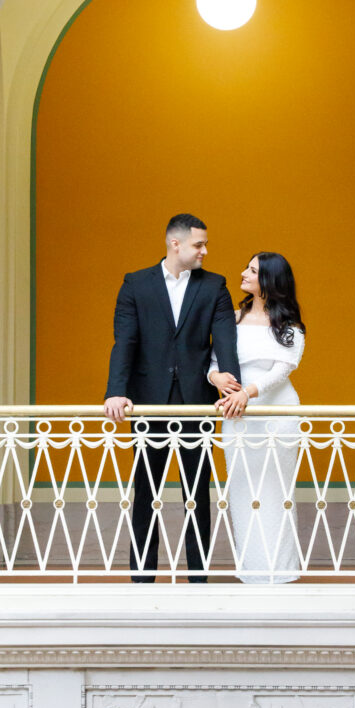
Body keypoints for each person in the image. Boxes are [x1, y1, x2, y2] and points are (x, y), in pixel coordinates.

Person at [103, 213, 241, 583]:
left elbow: (225, 341)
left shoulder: (215, 286)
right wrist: (116, 391)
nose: (205, 251)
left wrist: (232, 388)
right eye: (199, 244)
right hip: (148, 402)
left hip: (198, 402)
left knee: (198, 493)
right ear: (175, 243)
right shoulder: (136, 284)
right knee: (145, 492)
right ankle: (142, 577)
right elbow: (125, 341)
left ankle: (198, 577)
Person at [208, 252, 306, 583]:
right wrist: (217, 379)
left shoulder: (290, 326)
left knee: (276, 490)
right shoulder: (231, 319)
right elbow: (213, 361)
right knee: (241, 487)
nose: (243, 273)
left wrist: (247, 393)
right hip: (237, 415)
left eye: (252, 270)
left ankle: (281, 571)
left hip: (277, 413)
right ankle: (252, 570)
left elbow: (282, 369)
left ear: (269, 281)